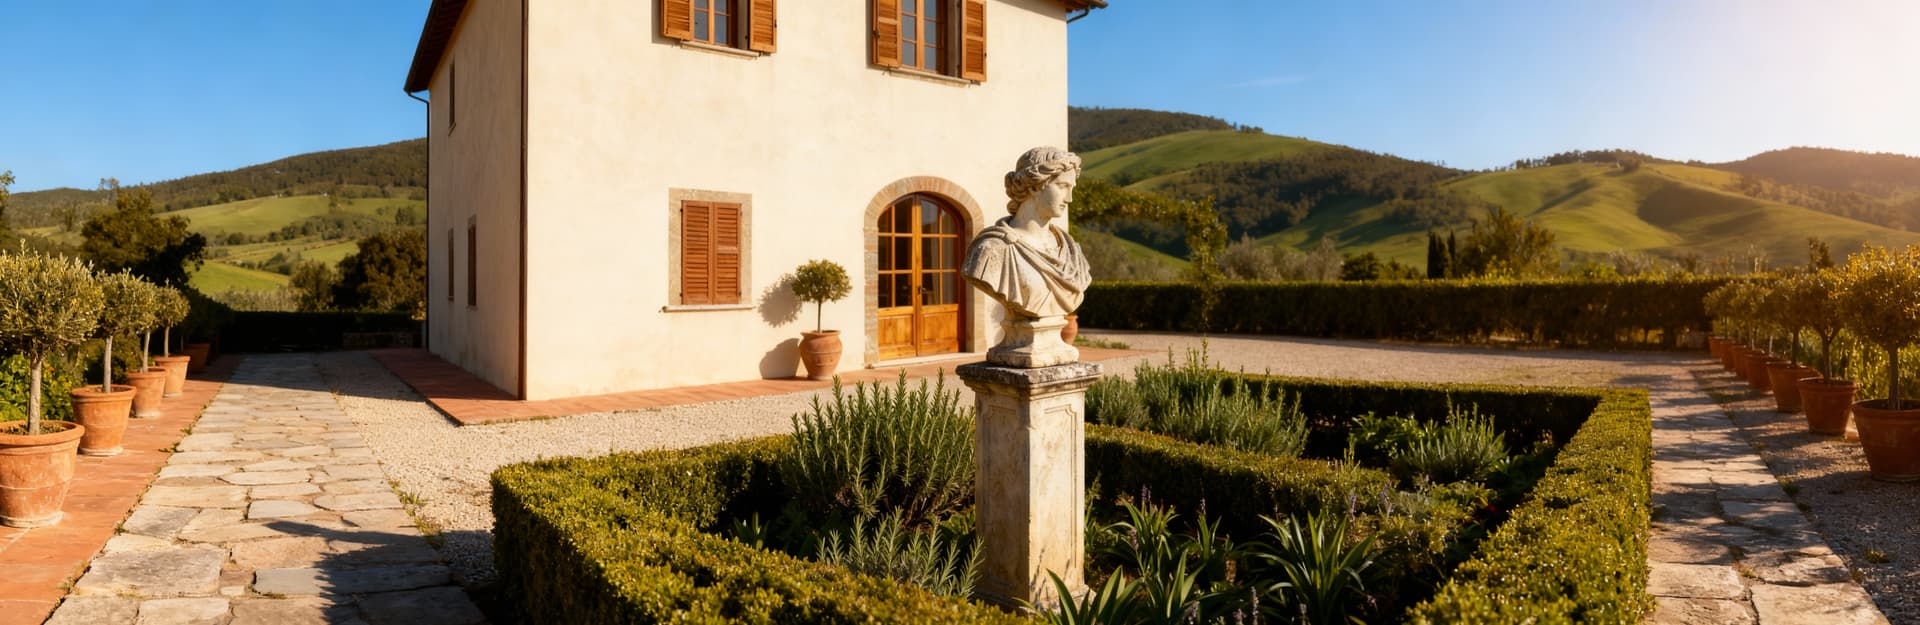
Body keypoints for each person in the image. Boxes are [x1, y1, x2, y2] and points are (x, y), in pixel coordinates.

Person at [962, 147, 1093, 320]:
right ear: (1034, 187)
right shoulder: (993, 250)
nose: (1069, 199)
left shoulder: (1071, 252)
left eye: (1071, 188)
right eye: (1062, 186)